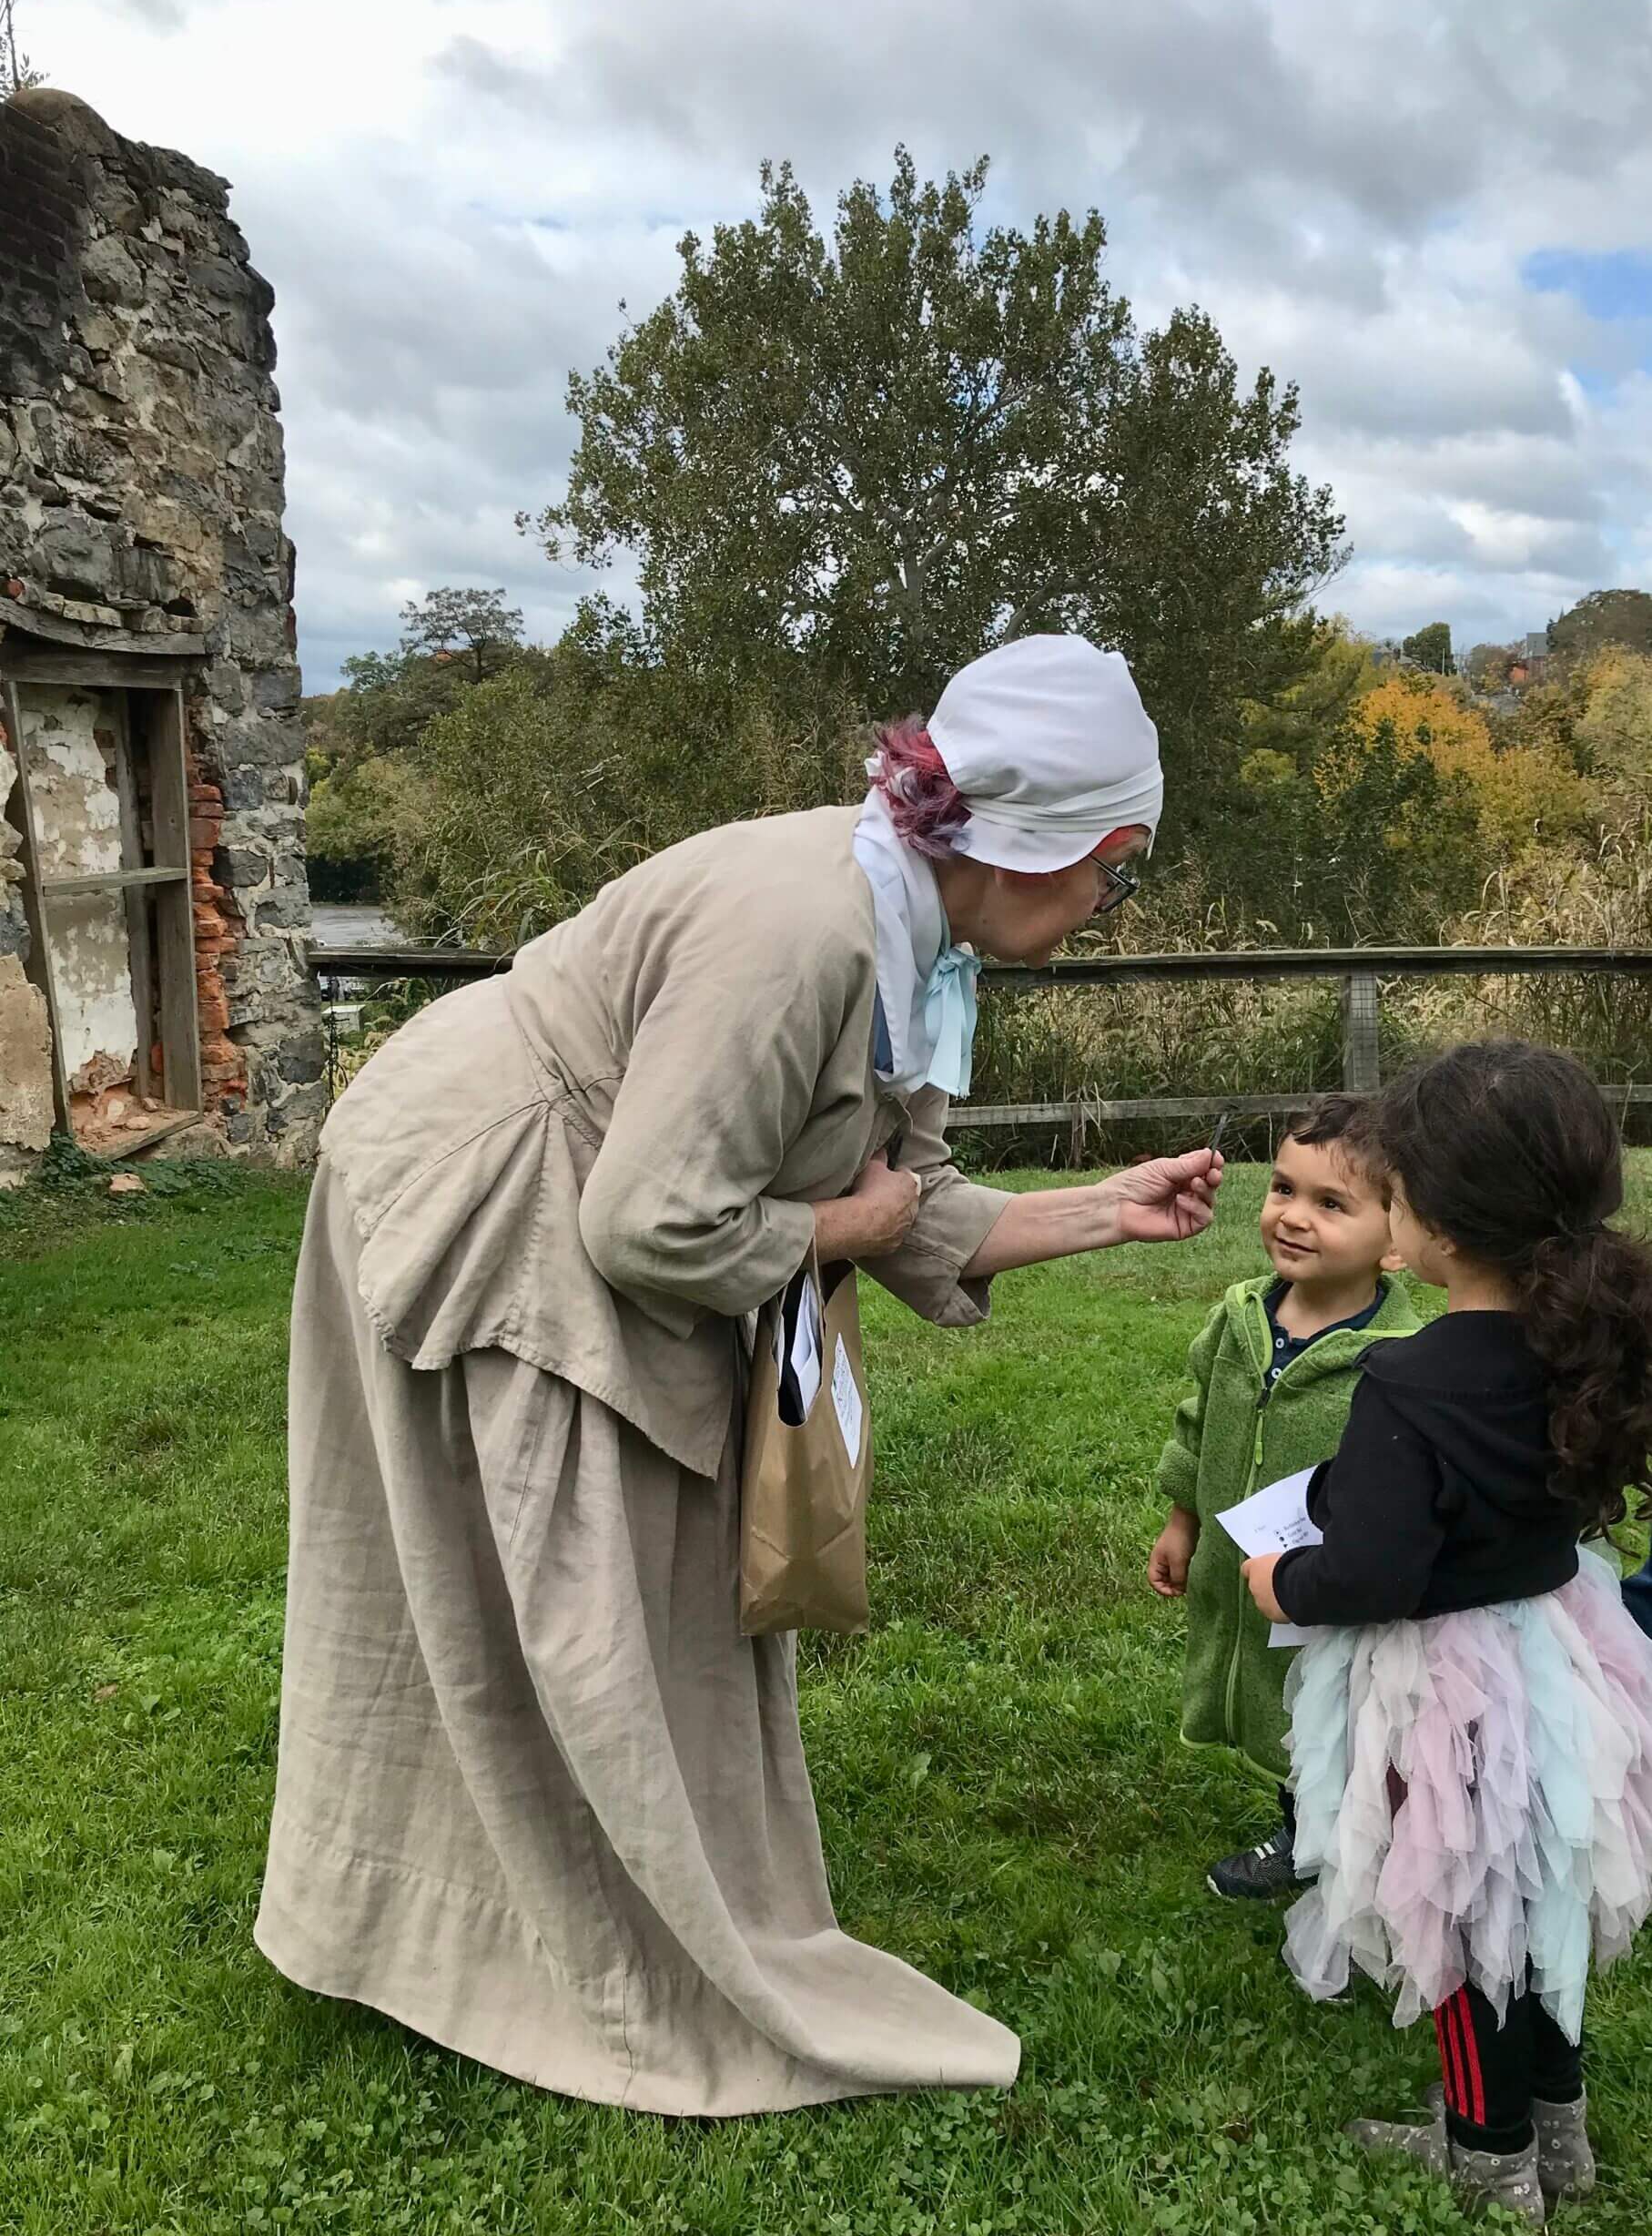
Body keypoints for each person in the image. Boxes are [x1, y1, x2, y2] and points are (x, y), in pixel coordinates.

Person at [257, 633, 1225, 2119]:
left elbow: (916, 1198)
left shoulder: (925, 950)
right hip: (496, 1185)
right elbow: (650, 1222)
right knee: (559, 1598)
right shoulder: (809, 933)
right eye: (1122, 865)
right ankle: (498, 1935)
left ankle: (542, 1914)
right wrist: (839, 1225)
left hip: (607, 1191)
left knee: (602, 1609)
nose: (1112, 900)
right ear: (1057, 843)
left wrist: (1112, 1208)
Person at [1243, 1042, 1652, 2226]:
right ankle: (1558, 2135)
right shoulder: (1584, 1346)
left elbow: (1373, 1572)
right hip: (1556, 1652)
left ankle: (1488, 2160)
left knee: (1464, 1928)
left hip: (1443, 1686)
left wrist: (1280, 1582)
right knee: (1533, 1908)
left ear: (1435, 1224)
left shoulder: (1407, 1381)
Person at [1150, 1098, 1417, 1899]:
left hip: (1336, 1592)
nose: (1293, 1218)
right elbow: (1196, 1423)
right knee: (1281, 1713)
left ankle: (1365, 1852)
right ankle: (1303, 1829)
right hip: (1249, 1576)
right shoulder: (1238, 1320)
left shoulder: (1398, 1364)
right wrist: (1181, 1517)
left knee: (1341, 1717)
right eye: (1282, 1190)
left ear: (1397, 1243)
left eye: (1330, 1204)